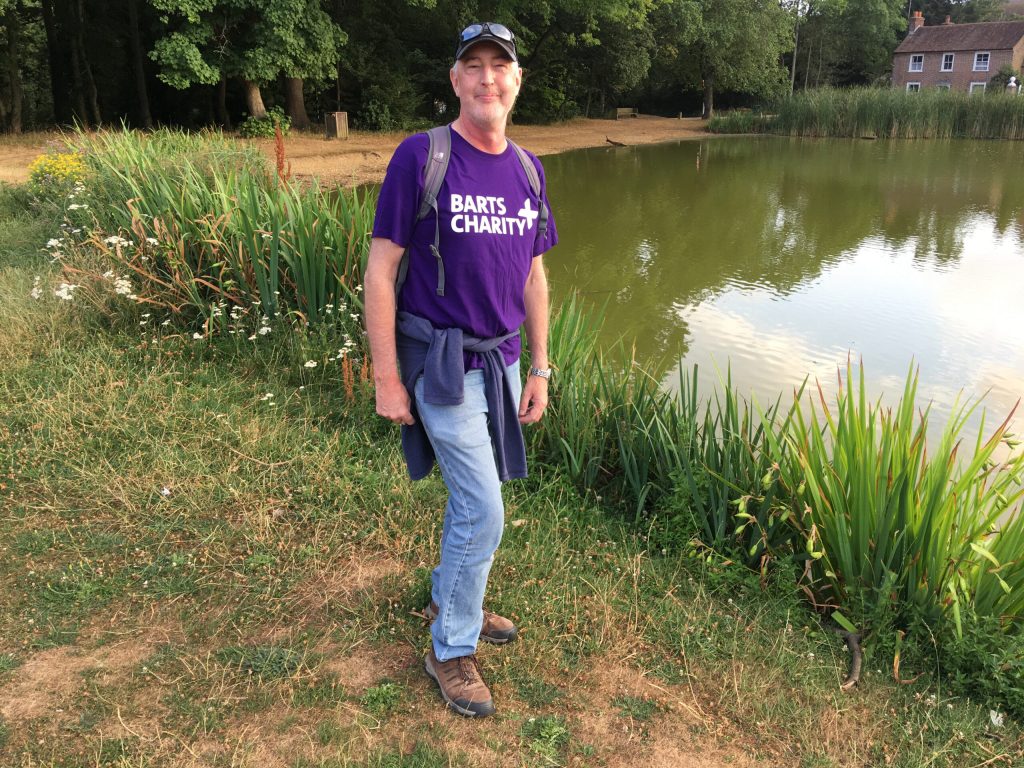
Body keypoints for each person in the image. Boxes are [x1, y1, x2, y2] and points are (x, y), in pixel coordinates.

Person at [363, 22, 557, 718]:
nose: (486, 79)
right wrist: (388, 377)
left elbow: (535, 278)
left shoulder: (530, 169)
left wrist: (539, 367)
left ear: (516, 81)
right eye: (471, 67)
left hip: (503, 363)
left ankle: (453, 597)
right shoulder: (423, 156)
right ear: (455, 81)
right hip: (441, 364)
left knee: (473, 499)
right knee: (485, 509)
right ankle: (450, 648)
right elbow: (381, 271)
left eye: (498, 67)